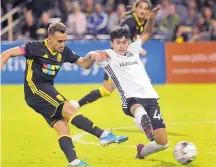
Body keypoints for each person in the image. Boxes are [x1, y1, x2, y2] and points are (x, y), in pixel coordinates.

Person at [0, 22, 128, 166]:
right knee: (68, 109)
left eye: (65, 40)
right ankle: (104, 135)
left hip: (47, 90)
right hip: (35, 90)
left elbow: (85, 64)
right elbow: (7, 53)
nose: (62, 44)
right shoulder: (34, 47)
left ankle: (73, 161)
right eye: (59, 41)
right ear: (50, 39)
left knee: (61, 124)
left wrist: (92, 56)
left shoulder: (64, 52)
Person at [87, 4, 169, 159]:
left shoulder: (133, 49)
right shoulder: (108, 55)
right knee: (139, 111)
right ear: (112, 43)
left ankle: (141, 152)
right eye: (118, 43)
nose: (122, 46)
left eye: (124, 42)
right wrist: (91, 55)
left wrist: (151, 18)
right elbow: (91, 55)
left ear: (128, 41)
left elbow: (148, 32)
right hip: (131, 99)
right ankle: (145, 124)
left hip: (150, 97)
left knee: (163, 143)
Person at [71, 0, 150, 112]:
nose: (143, 10)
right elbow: (123, 36)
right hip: (117, 60)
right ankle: (77, 104)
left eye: (145, 8)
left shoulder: (144, 22)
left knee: (136, 86)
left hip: (127, 59)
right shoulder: (130, 22)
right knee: (107, 90)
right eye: (140, 7)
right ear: (135, 9)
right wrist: (137, 47)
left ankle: (140, 113)